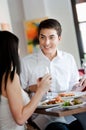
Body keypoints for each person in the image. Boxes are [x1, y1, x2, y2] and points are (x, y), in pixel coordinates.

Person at [20, 19, 86, 130]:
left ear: (59, 38)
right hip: (42, 116)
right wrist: (33, 88)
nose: (46, 43)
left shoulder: (68, 59)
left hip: (68, 113)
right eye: (42, 37)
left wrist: (81, 84)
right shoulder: (26, 62)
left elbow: (74, 88)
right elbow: (19, 92)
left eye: (51, 37)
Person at [0, 31, 52, 130]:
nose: (19, 50)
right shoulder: (10, 77)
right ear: (10, 51)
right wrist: (40, 90)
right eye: (17, 47)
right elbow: (20, 119)